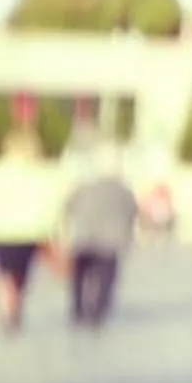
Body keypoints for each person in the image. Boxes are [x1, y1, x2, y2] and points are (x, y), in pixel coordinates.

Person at [59, 128, 139, 330]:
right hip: (110, 240)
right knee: (106, 276)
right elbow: (132, 211)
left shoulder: (84, 186)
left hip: (83, 236)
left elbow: (69, 206)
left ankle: (78, 308)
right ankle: (98, 311)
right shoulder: (123, 190)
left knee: (80, 274)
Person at [0, 125, 56, 334]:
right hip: (30, 231)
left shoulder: (2, 171)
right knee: (20, 274)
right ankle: (14, 306)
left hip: (5, 231)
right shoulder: (41, 172)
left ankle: (11, 306)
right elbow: (50, 203)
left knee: (8, 274)